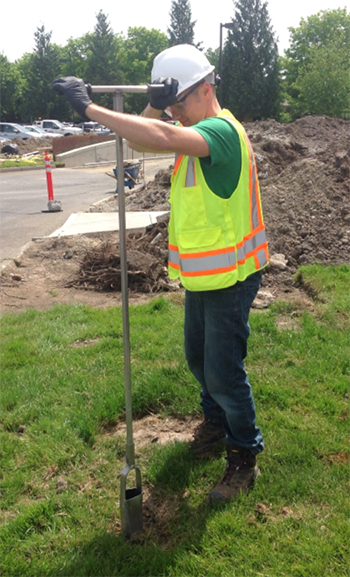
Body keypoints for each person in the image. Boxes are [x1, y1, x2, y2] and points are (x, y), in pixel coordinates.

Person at [52, 43, 269, 502]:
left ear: (206, 89)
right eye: (168, 105)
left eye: (179, 102)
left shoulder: (221, 132)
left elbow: (162, 137)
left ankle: (243, 455)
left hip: (230, 278)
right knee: (198, 360)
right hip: (204, 276)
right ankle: (215, 422)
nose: (174, 113)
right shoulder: (190, 123)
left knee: (224, 374)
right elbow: (144, 137)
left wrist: (89, 107)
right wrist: (156, 99)